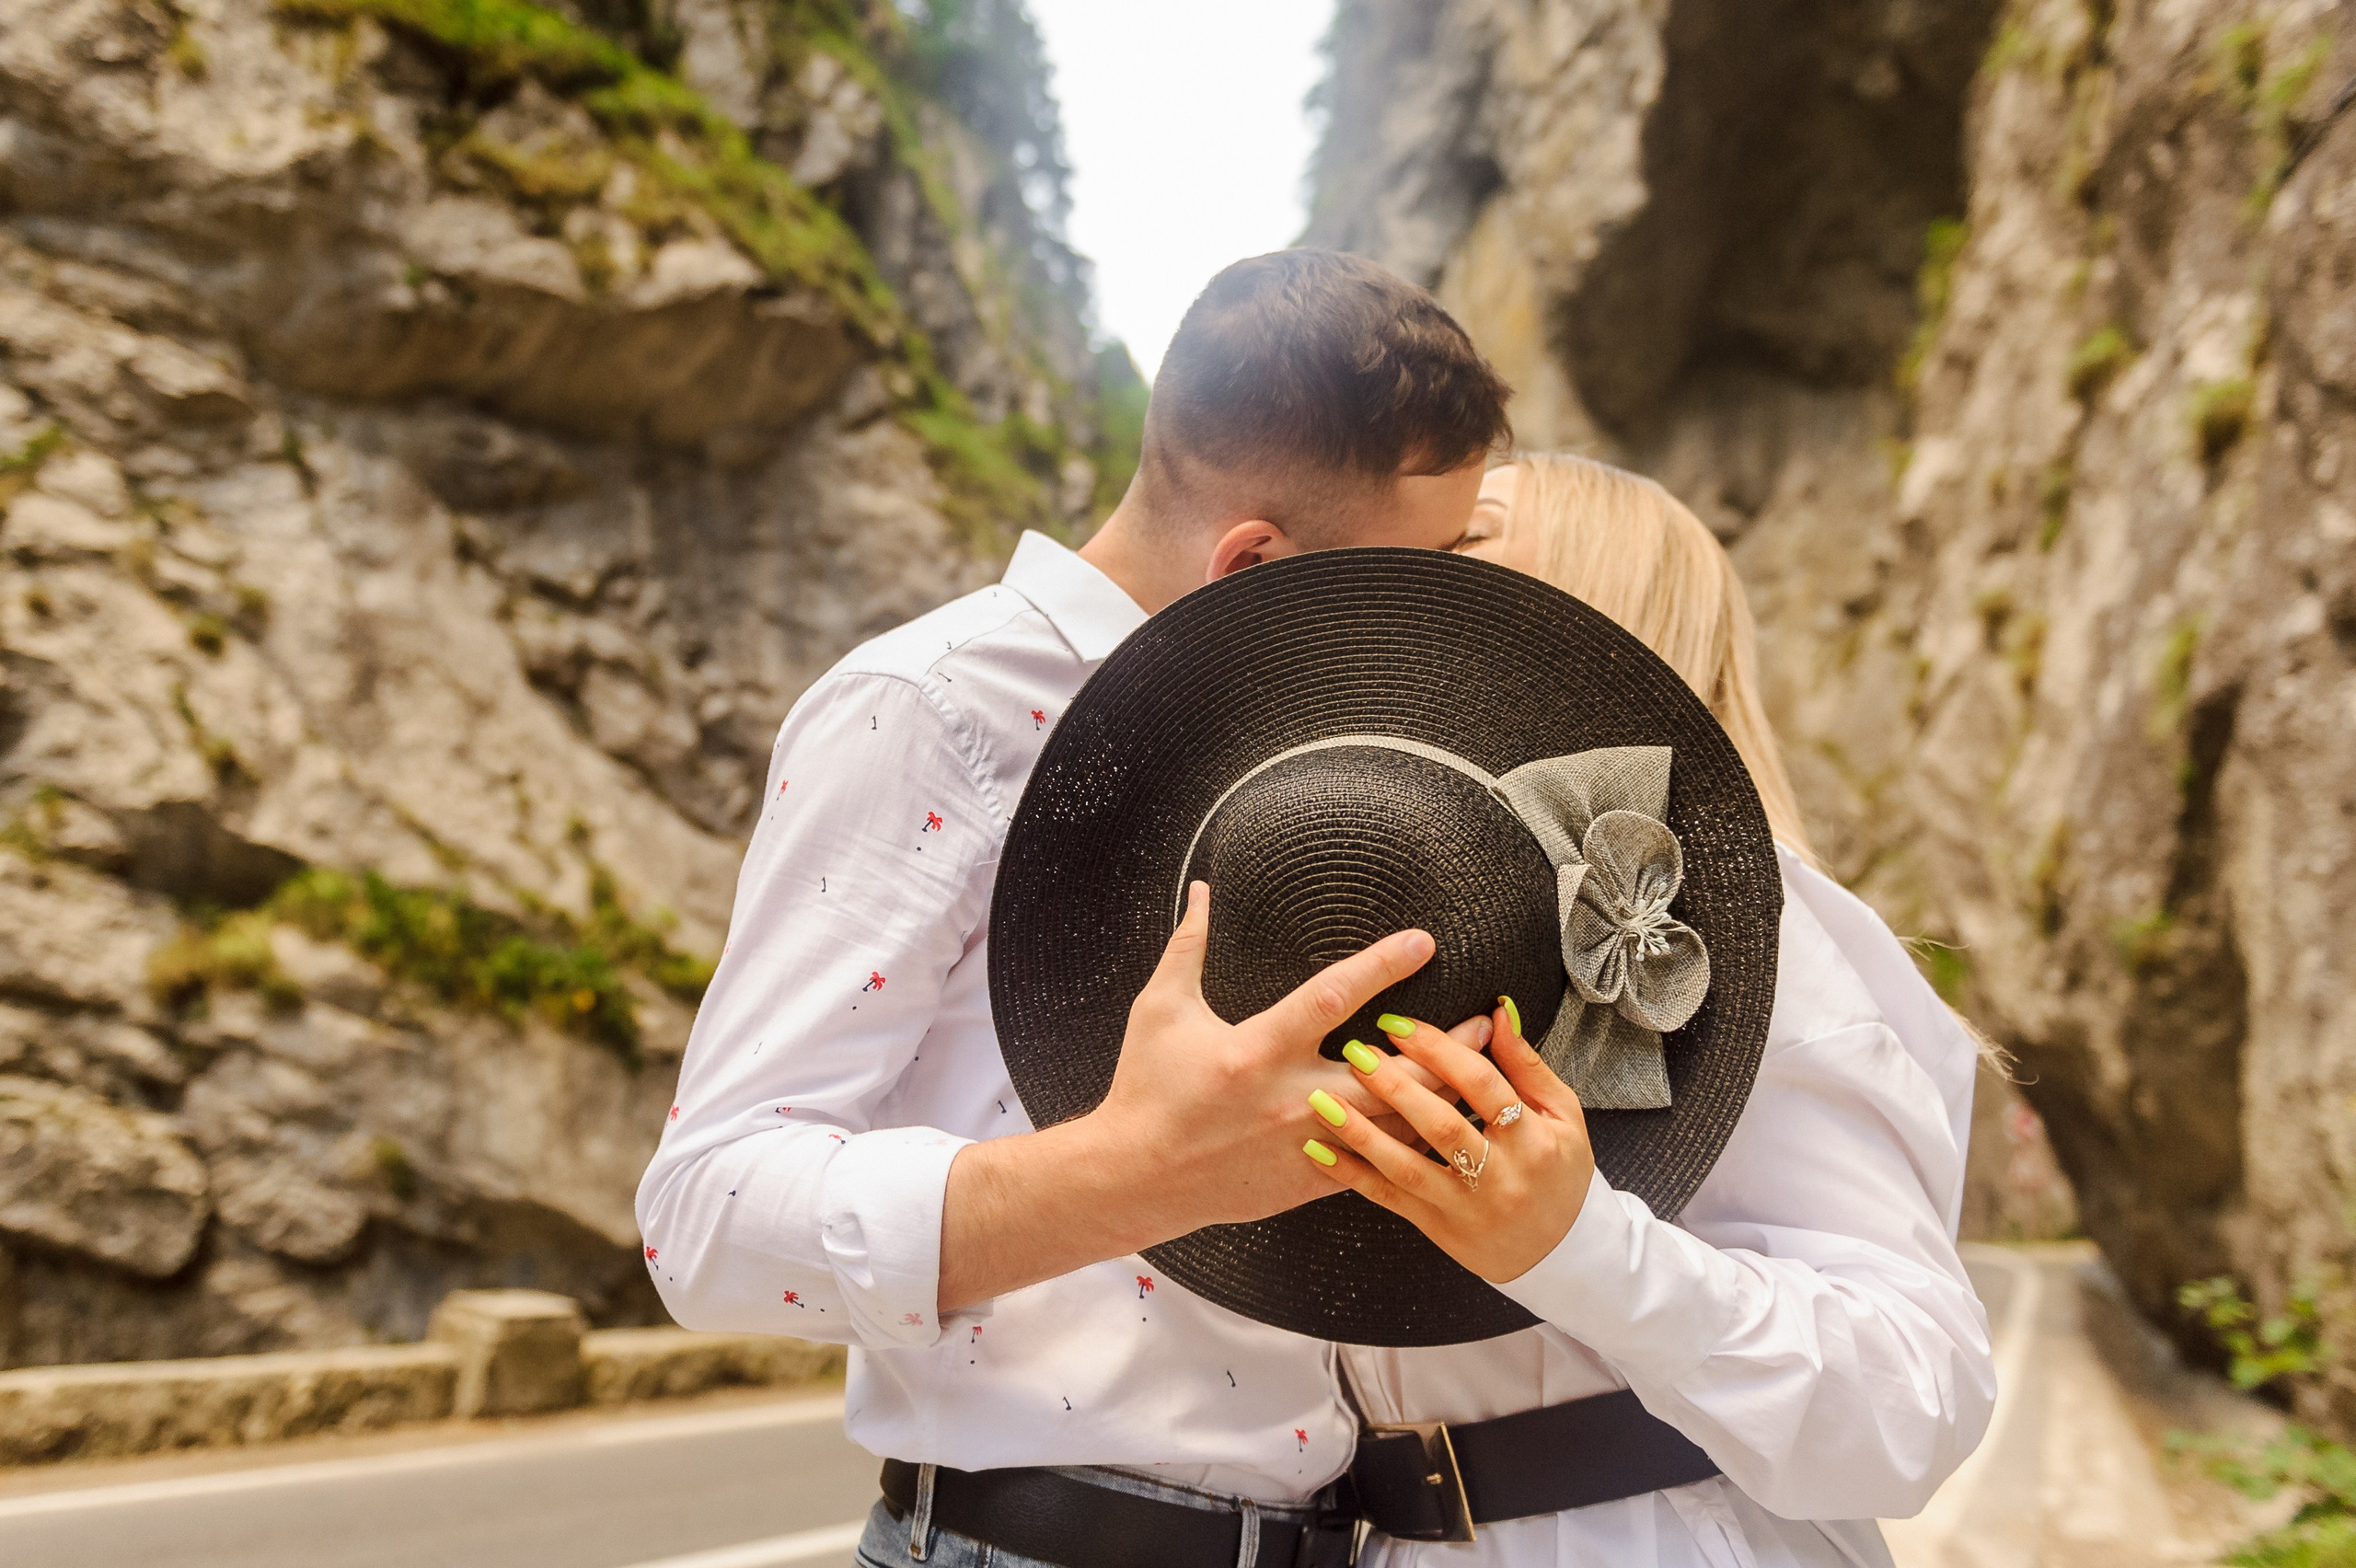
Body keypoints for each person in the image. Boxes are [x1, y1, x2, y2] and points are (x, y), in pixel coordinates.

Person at [636, 249, 1516, 1568]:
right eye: (1421, 570)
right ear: (1251, 566)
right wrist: (1134, 1173)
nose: (1442, 616)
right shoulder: (928, 710)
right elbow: (701, 1221)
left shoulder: (1313, 755)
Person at [1306, 453, 1995, 1567]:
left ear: (1589, 600)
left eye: (1464, 534)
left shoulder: (1727, 928)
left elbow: (1914, 1397)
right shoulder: (1391, 927)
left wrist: (1580, 1249)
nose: (1397, 552)